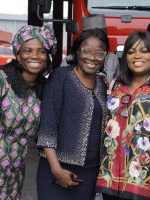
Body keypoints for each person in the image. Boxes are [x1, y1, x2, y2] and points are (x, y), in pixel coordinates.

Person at [96, 31, 150, 200]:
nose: (137, 56)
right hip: (110, 181)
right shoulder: (116, 86)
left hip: (145, 184)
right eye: (131, 51)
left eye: (144, 51)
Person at [0, 24, 57, 200]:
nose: (35, 56)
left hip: (16, 174)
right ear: (18, 53)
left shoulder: (42, 89)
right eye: (28, 50)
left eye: (41, 51)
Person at [36, 28, 108, 200]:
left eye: (99, 53)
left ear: (105, 56)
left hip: (89, 173)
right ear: (77, 51)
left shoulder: (102, 85)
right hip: (58, 169)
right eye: (86, 51)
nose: (92, 57)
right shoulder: (61, 77)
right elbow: (48, 125)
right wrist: (56, 170)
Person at [61, 14, 119, 84]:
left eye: (101, 33)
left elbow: (116, 84)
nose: (92, 58)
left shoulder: (113, 59)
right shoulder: (67, 61)